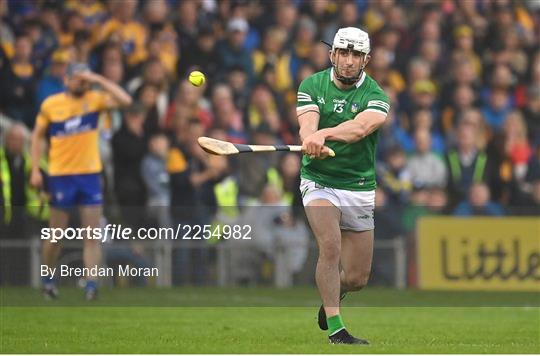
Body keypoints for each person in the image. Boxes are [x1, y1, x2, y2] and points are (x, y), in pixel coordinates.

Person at [297, 27, 390, 344]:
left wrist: (325, 135)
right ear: (332, 54)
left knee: (357, 278)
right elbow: (307, 124)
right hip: (319, 180)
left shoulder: (376, 96)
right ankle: (337, 329)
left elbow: (360, 128)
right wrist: (311, 139)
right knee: (331, 247)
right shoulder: (312, 85)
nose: (349, 61)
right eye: (344, 53)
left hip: (359, 186)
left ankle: (332, 297)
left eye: (356, 55)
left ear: (366, 59)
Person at [30, 62, 132, 300]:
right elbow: (36, 138)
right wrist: (35, 170)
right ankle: (48, 280)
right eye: (78, 79)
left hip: (89, 175)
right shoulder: (51, 105)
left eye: (84, 79)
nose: (82, 83)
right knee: (56, 236)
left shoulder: (95, 99)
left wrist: (97, 77)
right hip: (60, 176)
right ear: (66, 80)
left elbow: (125, 100)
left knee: (92, 235)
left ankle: (91, 285)